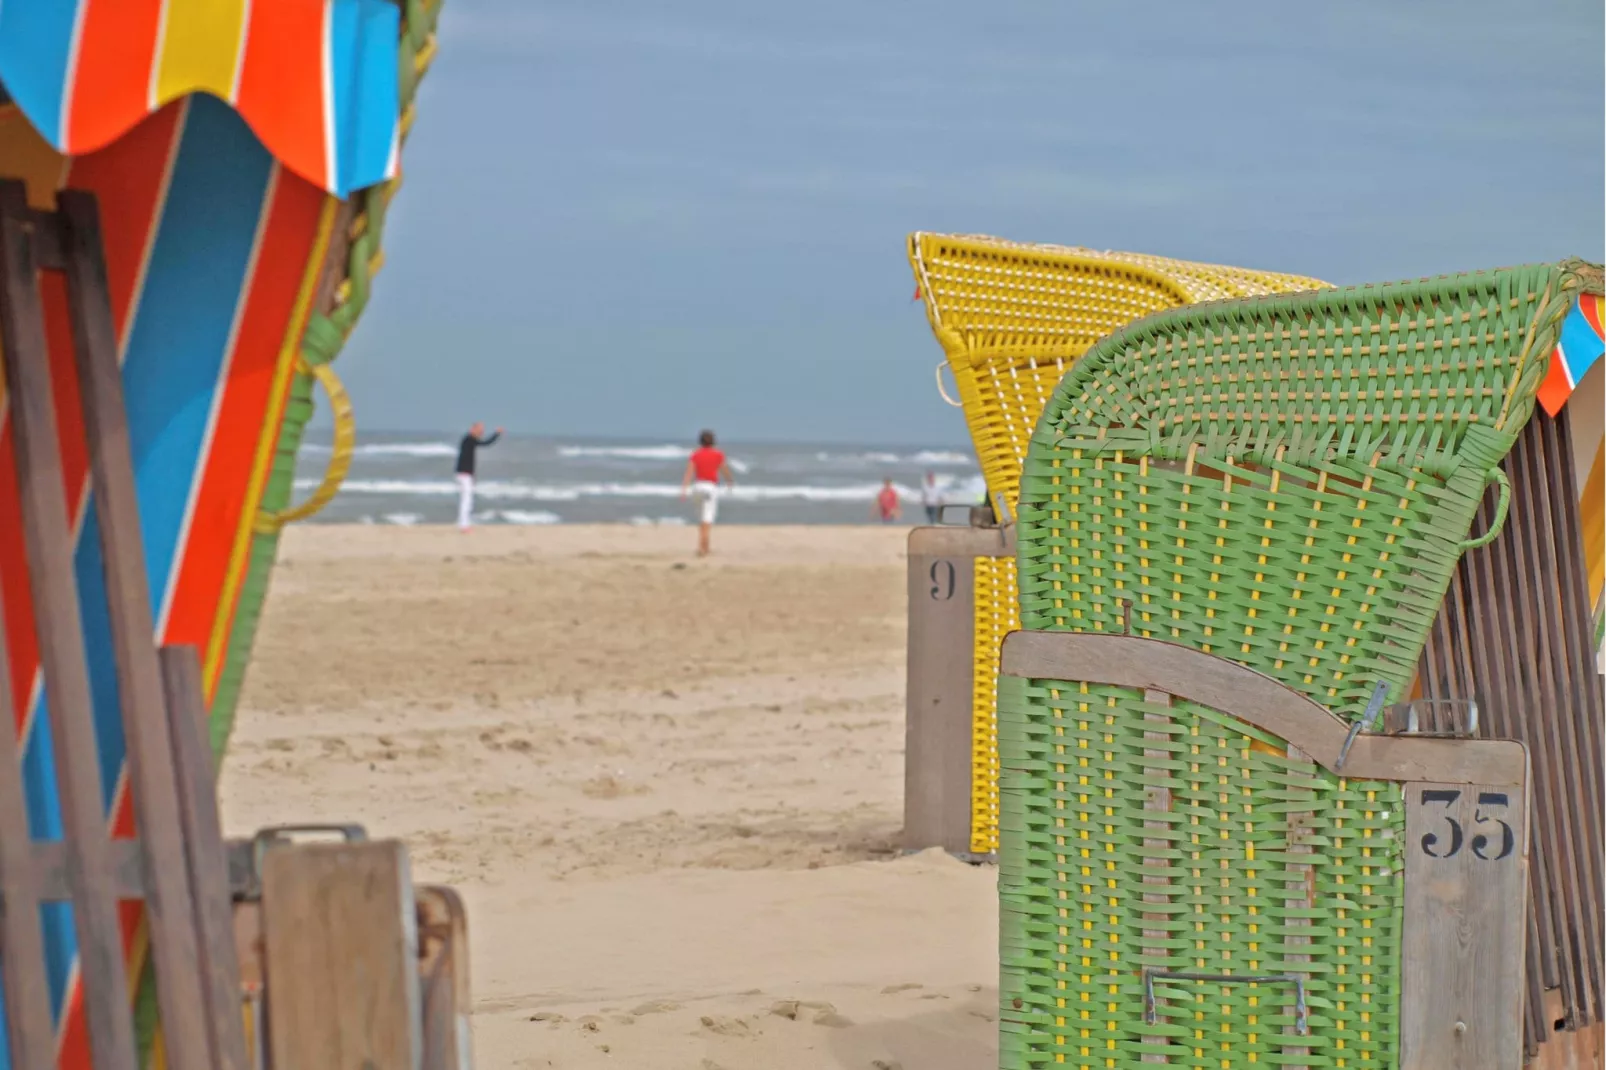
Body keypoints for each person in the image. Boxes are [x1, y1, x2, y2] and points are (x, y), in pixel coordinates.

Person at [679, 429, 735, 556]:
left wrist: (684, 489)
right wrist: (729, 481)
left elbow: (689, 472)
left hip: (698, 487)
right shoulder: (718, 455)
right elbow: (724, 469)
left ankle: (703, 546)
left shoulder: (695, 455)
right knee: (707, 518)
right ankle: (703, 547)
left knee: (701, 519)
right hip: (710, 487)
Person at [455, 421, 502, 532]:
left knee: (467, 499)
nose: (481, 432)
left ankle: (464, 523)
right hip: (464, 474)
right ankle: (463, 525)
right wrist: (497, 434)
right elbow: (486, 443)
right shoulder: (469, 439)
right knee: (467, 500)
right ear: (474, 429)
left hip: (465, 474)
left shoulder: (469, 440)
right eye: (480, 430)